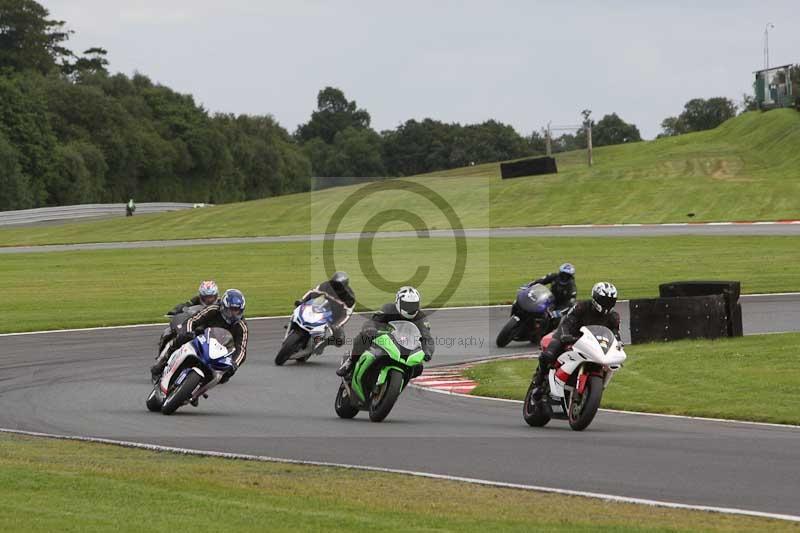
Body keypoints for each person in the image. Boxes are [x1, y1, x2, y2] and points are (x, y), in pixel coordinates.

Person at [530, 282, 620, 401]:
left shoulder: (613, 316)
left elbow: (614, 334)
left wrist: (618, 343)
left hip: (591, 344)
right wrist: (565, 335)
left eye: (610, 301)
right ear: (596, 298)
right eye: (604, 300)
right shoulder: (582, 306)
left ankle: (598, 389)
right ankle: (538, 382)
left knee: (611, 365)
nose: (607, 304)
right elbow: (567, 322)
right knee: (548, 355)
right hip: (570, 336)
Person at [151, 289, 249, 383]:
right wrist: (188, 332)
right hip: (201, 338)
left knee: (225, 376)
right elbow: (193, 320)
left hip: (221, 350)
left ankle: (197, 391)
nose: (233, 314)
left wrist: (234, 363)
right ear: (223, 307)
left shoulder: (242, 326)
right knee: (182, 338)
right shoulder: (213, 309)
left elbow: (242, 350)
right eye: (231, 310)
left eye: (237, 311)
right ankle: (161, 363)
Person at [336, 286, 434, 378]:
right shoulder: (389, 309)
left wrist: (427, 352)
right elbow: (372, 321)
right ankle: (351, 362)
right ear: (398, 302)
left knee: (418, 367)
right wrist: (370, 329)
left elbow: (427, 337)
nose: (411, 309)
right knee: (362, 338)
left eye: (414, 305)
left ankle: (401, 379)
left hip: (407, 346)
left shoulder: (421, 318)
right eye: (407, 305)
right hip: (385, 340)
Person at [296, 272, 355, 347]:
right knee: (301, 308)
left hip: (336, 317)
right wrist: (302, 300)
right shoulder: (326, 285)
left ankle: (323, 344)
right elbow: (313, 292)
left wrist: (338, 325)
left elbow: (347, 314)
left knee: (340, 340)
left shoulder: (350, 297)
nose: (335, 287)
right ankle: (294, 325)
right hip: (324, 307)